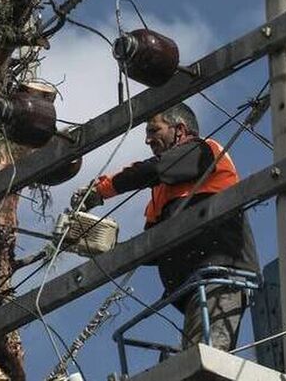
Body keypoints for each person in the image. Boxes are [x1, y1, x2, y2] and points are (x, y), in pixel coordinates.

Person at [70, 103, 259, 351]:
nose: (148, 139)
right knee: (195, 360)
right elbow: (156, 248)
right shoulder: (164, 191)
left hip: (221, 276)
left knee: (205, 364)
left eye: (154, 130)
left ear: (179, 129)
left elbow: (152, 168)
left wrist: (101, 191)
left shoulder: (205, 151)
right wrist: (108, 246)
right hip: (195, 286)